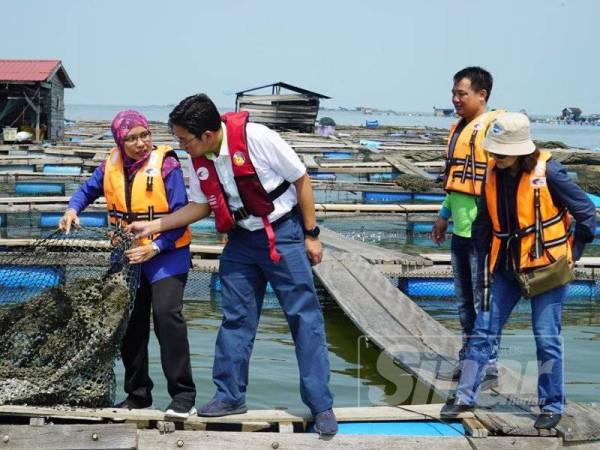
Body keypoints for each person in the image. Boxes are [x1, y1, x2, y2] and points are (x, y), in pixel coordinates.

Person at [127, 94, 337, 435]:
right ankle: (229, 396)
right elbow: (199, 205)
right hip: (240, 239)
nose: (180, 146)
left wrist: (311, 234)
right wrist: (154, 226)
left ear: (208, 135)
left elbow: (301, 179)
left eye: (184, 139)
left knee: (303, 317)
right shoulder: (200, 159)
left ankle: (321, 404)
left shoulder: (259, 138)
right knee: (236, 318)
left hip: (281, 232)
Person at [441, 112, 596, 429]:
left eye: (500, 152)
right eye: (493, 151)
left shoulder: (549, 171)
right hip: (504, 267)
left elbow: (587, 214)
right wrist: (484, 261)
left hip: (546, 269)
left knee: (546, 336)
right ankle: (464, 396)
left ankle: (552, 404)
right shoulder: (492, 174)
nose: (495, 156)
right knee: (484, 329)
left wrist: (573, 253)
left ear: (520, 150)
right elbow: (484, 222)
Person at [59, 110, 197, 418]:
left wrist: (156, 247)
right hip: (126, 253)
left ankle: (183, 396)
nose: (140, 143)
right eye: (131, 138)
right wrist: (72, 209)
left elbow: (180, 215)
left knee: (166, 316)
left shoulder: (168, 165)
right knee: (130, 323)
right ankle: (138, 394)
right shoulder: (110, 164)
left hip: (167, 252)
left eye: (144, 135)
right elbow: (87, 191)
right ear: (120, 141)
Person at [432, 66, 502, 387]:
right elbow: (457, 182)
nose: (455, 99)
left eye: (462, 93)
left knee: (484, 299)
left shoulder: (493, 130)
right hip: (460, 230)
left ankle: (488, 362)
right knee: (464, 301)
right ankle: (468, 358)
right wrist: (443, 214)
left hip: (484, 232)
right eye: (454, 93)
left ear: (481, 94)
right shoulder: (460, 129)